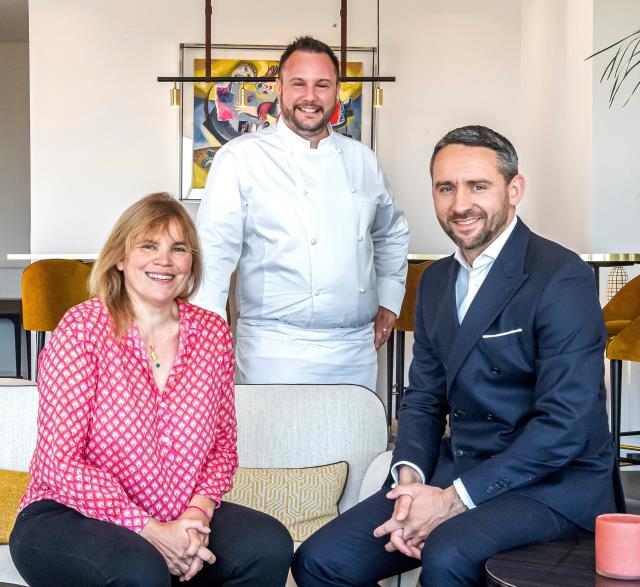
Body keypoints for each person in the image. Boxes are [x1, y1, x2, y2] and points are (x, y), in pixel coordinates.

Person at [292, 125, 623, 586]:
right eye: (446, 188)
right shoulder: (434, 281)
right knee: (321, 559)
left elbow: (565, 426)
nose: (460, 204)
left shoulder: (560, 276)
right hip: (461, 466)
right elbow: (424, 399)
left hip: (553, 484)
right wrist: (408, 479)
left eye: (478, 186)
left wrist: (450, 501)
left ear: (515, 189)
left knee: (447, 554)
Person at [9, 193, 293, 587]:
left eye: (178, 248)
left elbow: (223, 446)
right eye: (148, 245)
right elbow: (60, 462)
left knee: (267, 543)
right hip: (67, 514)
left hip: (178, 511)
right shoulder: (82, 329)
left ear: (190, 262)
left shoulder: (212, 333)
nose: (164, 260)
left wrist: (196, 515)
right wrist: (152, 531)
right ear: (121, 258)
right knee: (141, 568)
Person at [192, 36, 409, 392]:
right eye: (299, 83)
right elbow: (215, 254)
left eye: (321, 85)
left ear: (336, 90)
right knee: (272, 447)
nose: (310, 96)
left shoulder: (362, 160)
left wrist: (389, 300)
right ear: (279, 87)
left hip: (354, 349)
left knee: (353, 448)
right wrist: (207, 344)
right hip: (272, 349)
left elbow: (391, 232)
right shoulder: (240, 158)